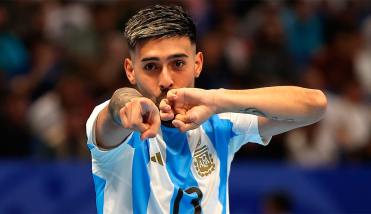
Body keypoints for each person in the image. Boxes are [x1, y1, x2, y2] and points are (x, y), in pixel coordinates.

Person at [85, 5, 327, 214]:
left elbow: (315, 105)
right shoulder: (119, 127)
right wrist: (130, 104)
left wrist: (217, 100)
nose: (166, 79)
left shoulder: (219, 119)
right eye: (150, 66)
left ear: (197, 64)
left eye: (178, 63)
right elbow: (119, 104)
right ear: (130, 70)